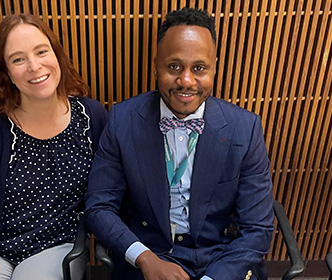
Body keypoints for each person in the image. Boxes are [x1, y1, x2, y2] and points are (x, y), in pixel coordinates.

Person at [85, 7, 274, 280]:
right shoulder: (122, 121)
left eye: (199, 68)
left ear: (214, 68)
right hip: (149, 258)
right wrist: (144, 257)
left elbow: (257, 228)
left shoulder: (245, 129)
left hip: (220, 260)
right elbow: (99, 207)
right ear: (155, 66)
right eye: (174, 66)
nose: (186, 81)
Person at [0, 14, 108, 280]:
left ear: (57, 55)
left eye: (41, 51)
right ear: (8, 73)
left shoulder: (91, 117)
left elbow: (111, 189)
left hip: (55, 245)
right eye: (18, 59)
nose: (34, 66)